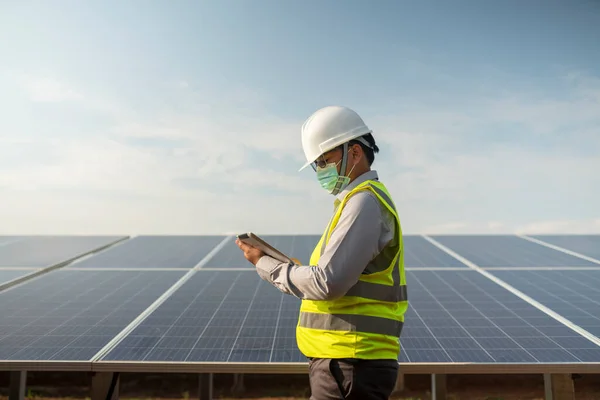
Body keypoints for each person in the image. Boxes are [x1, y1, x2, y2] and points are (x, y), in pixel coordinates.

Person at [236, 105, 408, 400]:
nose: (320, 171)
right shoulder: (356, 202)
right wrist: (291, 267)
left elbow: (326, 283)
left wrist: (265, 264)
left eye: (325, 161)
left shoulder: (364, 202)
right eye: (317, 164)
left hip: (350, 363)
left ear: (354, 153)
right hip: (347, 363)